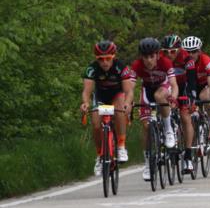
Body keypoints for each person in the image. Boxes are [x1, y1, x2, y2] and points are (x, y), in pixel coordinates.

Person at [81, 40, 133, 176]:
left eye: (108, 59)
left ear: (113, 57)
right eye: (101, 59)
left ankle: (121, 146)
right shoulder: (92, 69)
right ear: (96, 59)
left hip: (117, 95)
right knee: (96, 124)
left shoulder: (121, 67)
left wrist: (128, 103)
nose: (105, 62)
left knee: (119, 108)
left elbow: (129, 90)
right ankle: (99, 156)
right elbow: (87, 91)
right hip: (101, 97)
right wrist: (86, 103)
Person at [130, 37, 179, 181]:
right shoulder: (137, 65)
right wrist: (129, 101)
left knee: (159, 96)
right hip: (147, 91)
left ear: (158, 55)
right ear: (141, 57)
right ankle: (147, 162)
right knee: (145, 126)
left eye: (152, 56)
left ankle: (168, 128)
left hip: (163, 88)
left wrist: (173, 98)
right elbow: (130, 88)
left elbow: (174, 85)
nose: (149, 60)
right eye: (145, 57)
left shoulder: (165, 62)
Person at [161, 34, 195, 171]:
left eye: (173, 52)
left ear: (179, 50)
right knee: (162, 112)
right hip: (167, 88)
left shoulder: (187, 58)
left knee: (185, 117)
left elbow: (192, 81)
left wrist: (192, 98)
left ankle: (188, 155)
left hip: (183, 88)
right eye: (166, 52)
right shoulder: (160, 59)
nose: (169, 55)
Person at [181, 35, 210, 142]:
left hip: (203, 87)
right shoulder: (182, 62)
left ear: (199, 51)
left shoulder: (206, 61)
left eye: (194, 51)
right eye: (188, 52)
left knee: (205, 96)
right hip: (188, 87)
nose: (191, 54)